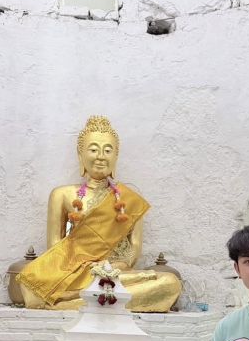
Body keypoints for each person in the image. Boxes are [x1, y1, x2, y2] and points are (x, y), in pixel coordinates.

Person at [17, 116, 181, 311]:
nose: (101, 156)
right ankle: (87, 298)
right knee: (35, 284)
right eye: (94, 149)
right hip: (74, 274)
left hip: (117, 274)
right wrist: (91, 269)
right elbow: (54, 248)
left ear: (116, 157)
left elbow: (135, 249)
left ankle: (71, 303)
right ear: (80, 155)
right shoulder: (62, 195)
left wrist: (113, 268)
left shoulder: (130, 200)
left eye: (108, 150)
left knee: (170, 282)